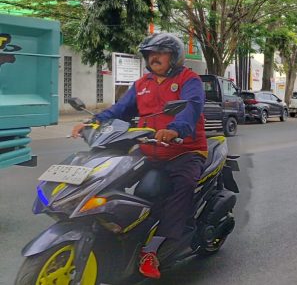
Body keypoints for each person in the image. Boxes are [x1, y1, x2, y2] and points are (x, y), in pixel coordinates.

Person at [71, 33, 207, 279]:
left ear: (174, 57)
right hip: (148, 149)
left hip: (184, 150)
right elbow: (119, 110)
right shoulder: (142, 84)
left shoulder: (190, 79)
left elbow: (191, 107)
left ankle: (153, 249)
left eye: (160, 53)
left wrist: (176, 129)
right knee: (114, 178)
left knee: (183, 186)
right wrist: (92, 122)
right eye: (150, 54)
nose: (154, 58)